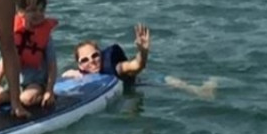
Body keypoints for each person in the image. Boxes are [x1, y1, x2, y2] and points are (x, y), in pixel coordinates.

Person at [62, 24, 218, 99]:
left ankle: (203, 88)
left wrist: (143, 52)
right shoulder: (76, 73)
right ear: (79, 64)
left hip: (145, 83)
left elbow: (136, 65)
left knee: (176, 85)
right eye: (85, 60)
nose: (92, 62)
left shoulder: (115, 67)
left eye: (95, 56)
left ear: (101, 55)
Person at [0, 0, 58, 108]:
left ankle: (41, 94)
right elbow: (4, 62)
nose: (38, 14)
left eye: (41, 10)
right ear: (21, 12)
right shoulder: (15, 34)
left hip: (36, 83)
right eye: (33, 10)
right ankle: (7, 92)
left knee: (25, 99)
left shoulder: (46, 38)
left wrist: (49, 91)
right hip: (15, 83)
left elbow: (52, 66)